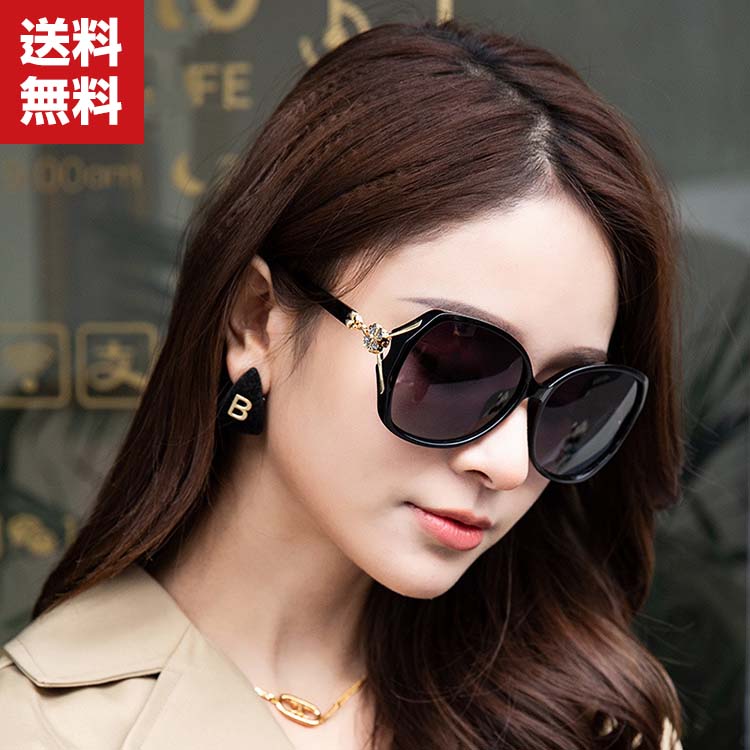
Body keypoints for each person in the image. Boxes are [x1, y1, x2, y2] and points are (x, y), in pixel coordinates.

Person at [0, 17, 686, 750]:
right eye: (452, 367)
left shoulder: (594, 722)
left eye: (571, 397)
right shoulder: (40, 729)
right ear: (257, 320)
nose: (509, 464)